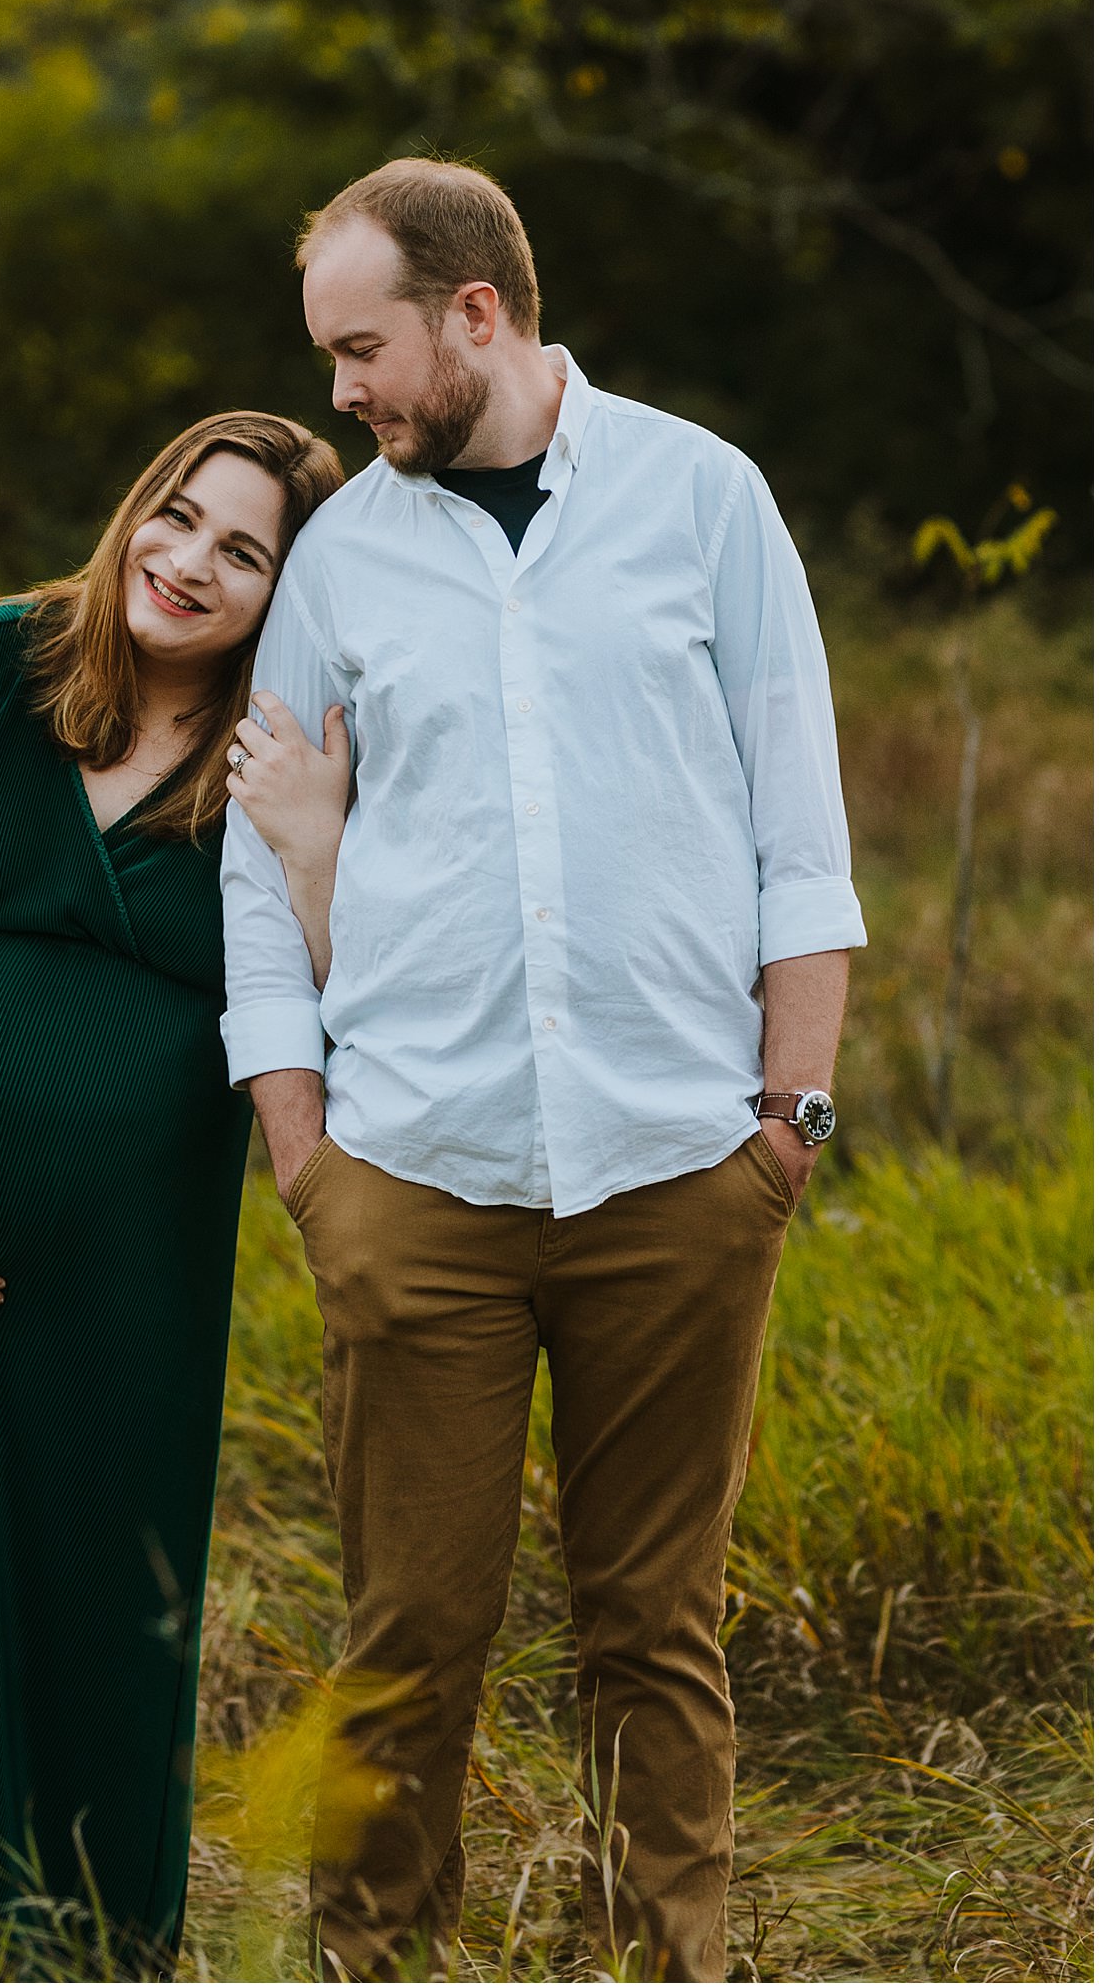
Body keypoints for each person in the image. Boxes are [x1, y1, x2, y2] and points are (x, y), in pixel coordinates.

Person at [220, 158, 867, 1984]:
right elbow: (265, 871)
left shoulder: (703, 500)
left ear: (476, 316)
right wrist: (305, 1152)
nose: (340, 393)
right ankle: (373, 1967)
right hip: (415, 1178)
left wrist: (786, 1125)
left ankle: (672, 1968)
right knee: (407, 1635)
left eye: (362, 350)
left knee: (655, 1631)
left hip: (680, 1174)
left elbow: (800, 837)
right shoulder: (346, 555)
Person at [0, 411, 343, 1978]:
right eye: (178, 517)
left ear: (286, 595)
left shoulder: (286, 757)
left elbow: (358, 1013)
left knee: (93, 1610)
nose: (188, 563)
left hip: (121, 1286)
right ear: (134, 511)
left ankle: (80, 1955)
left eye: (244, 552)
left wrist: (313, 847)